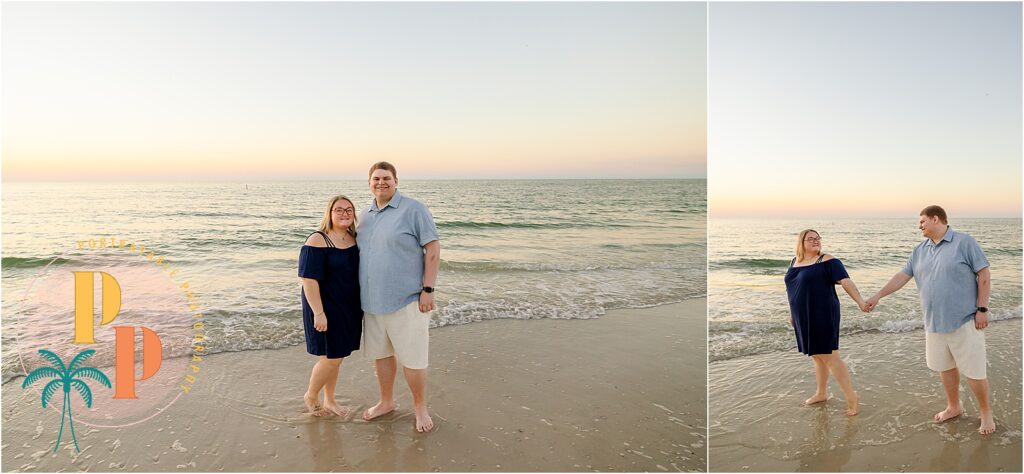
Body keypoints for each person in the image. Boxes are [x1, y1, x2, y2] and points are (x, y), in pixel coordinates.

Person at [865, 205, 994, 434]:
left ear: (936, 219)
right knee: (945, 368)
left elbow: (983, 274)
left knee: (974, 372)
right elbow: (901, 276)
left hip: (964, 320)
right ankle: (954, 407)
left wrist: (981, 309)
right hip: (933, 322)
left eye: (922, 221)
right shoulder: (919, 250)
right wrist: (878, 296)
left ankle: (986, 413)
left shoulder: (964, 243)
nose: (919, 226)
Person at [356, 161, 441, 433]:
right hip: (371, 303)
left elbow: (432, 248)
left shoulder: (413, 209)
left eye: (386, 178)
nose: (381, 183)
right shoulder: (365, 215)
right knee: (381, 356)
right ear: (369, 182)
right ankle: (386, 402)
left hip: (407, 300)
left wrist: (428, 289)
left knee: (413, 359)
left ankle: (420, 408)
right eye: (376, 178)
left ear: (396, 181)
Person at [785, 229, 870, 416]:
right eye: (811, 239)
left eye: (818, 238)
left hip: (822, 313)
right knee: (816, 356)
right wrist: (793, 314)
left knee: (830, 357)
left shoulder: (828, 261)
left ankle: (851, 397)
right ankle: (821, 393)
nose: (816, 241)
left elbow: (847, 282)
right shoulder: (794, 262)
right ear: (802, 242)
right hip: (802, 316)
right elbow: (792, 290)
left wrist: (861, 302)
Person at [298, 195, 363, 417]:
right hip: (325, 307)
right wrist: (319, 313)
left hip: (348, 306)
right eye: (339, 210)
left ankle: (330, 400)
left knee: (337, 356)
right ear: (329, 213)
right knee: (331, 357)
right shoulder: (317, 240)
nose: (344, 213)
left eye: (349, 209)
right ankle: (311, 395)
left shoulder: (354, 238)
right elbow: (309, 280)